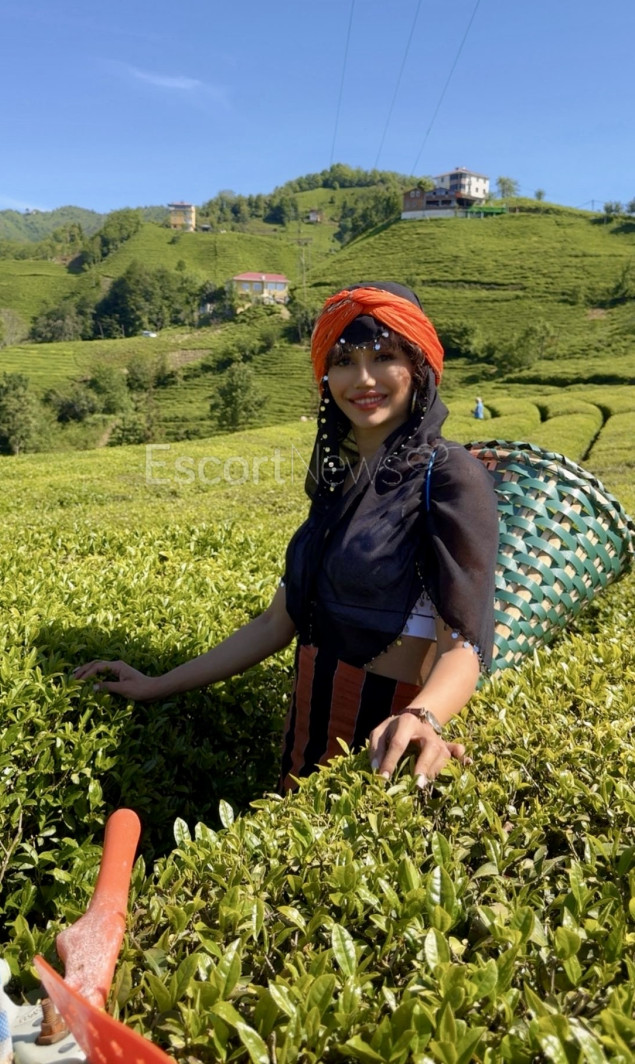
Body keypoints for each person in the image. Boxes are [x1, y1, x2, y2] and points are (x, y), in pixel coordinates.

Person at [75, 282, 499, 792]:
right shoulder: (339, 482)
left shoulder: (450, 475)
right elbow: (278, 622)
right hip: (308, 731)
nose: (363, 378)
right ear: (326, 375)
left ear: (419, 365)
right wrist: (156, 685)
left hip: (386, 740)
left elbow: (463, 645)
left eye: (384, 356)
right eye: (344, 361)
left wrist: (422, 717)